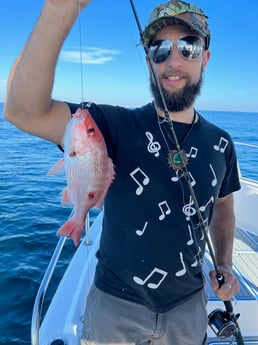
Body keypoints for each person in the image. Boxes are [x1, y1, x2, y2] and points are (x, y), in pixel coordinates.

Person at [4, 1, 241, 344]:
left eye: (188, 46)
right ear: (149, 62)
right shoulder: (112, 126)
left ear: (204, 57)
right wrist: (61, 9)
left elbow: (223, 207)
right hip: (114, 305)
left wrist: (224, 263)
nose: (173, 61)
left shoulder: (222, 143)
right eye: (160, 49)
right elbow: (22, 111)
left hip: (189, 308)